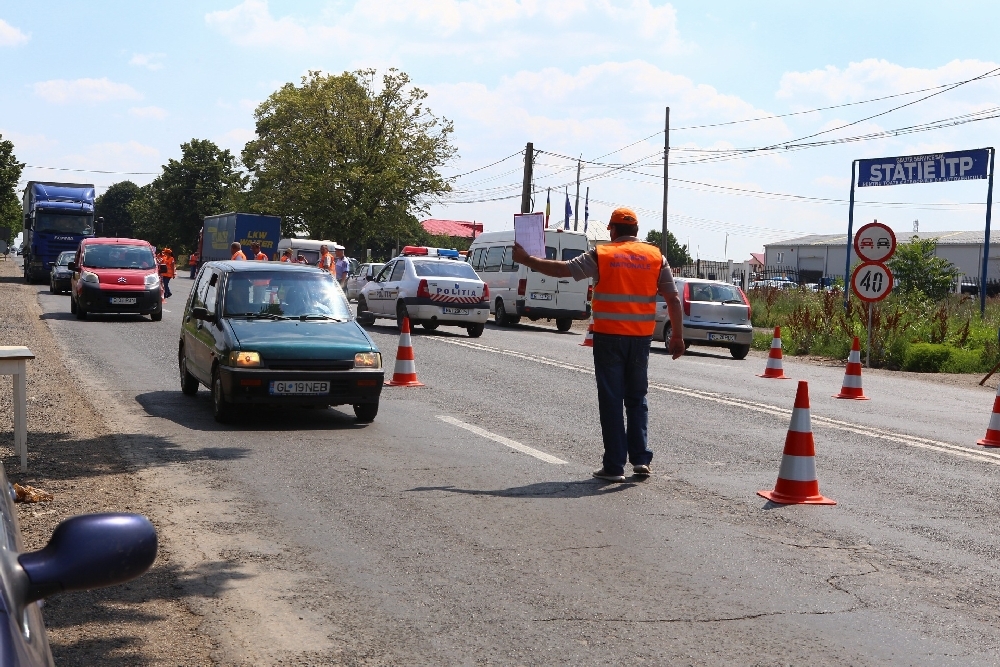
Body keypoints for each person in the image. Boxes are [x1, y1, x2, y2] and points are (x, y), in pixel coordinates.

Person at [512, 207, 685, 483]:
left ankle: (615, 466)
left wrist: (528, 259)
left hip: (609, 338)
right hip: (641, 339)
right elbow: (673, 299)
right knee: (637, 398)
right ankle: (640, 460)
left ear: (612, 230)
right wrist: (676, 336)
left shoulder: (603, 255)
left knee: (612, 399)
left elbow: (564, 270)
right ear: (637, 231)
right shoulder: (656, 257)